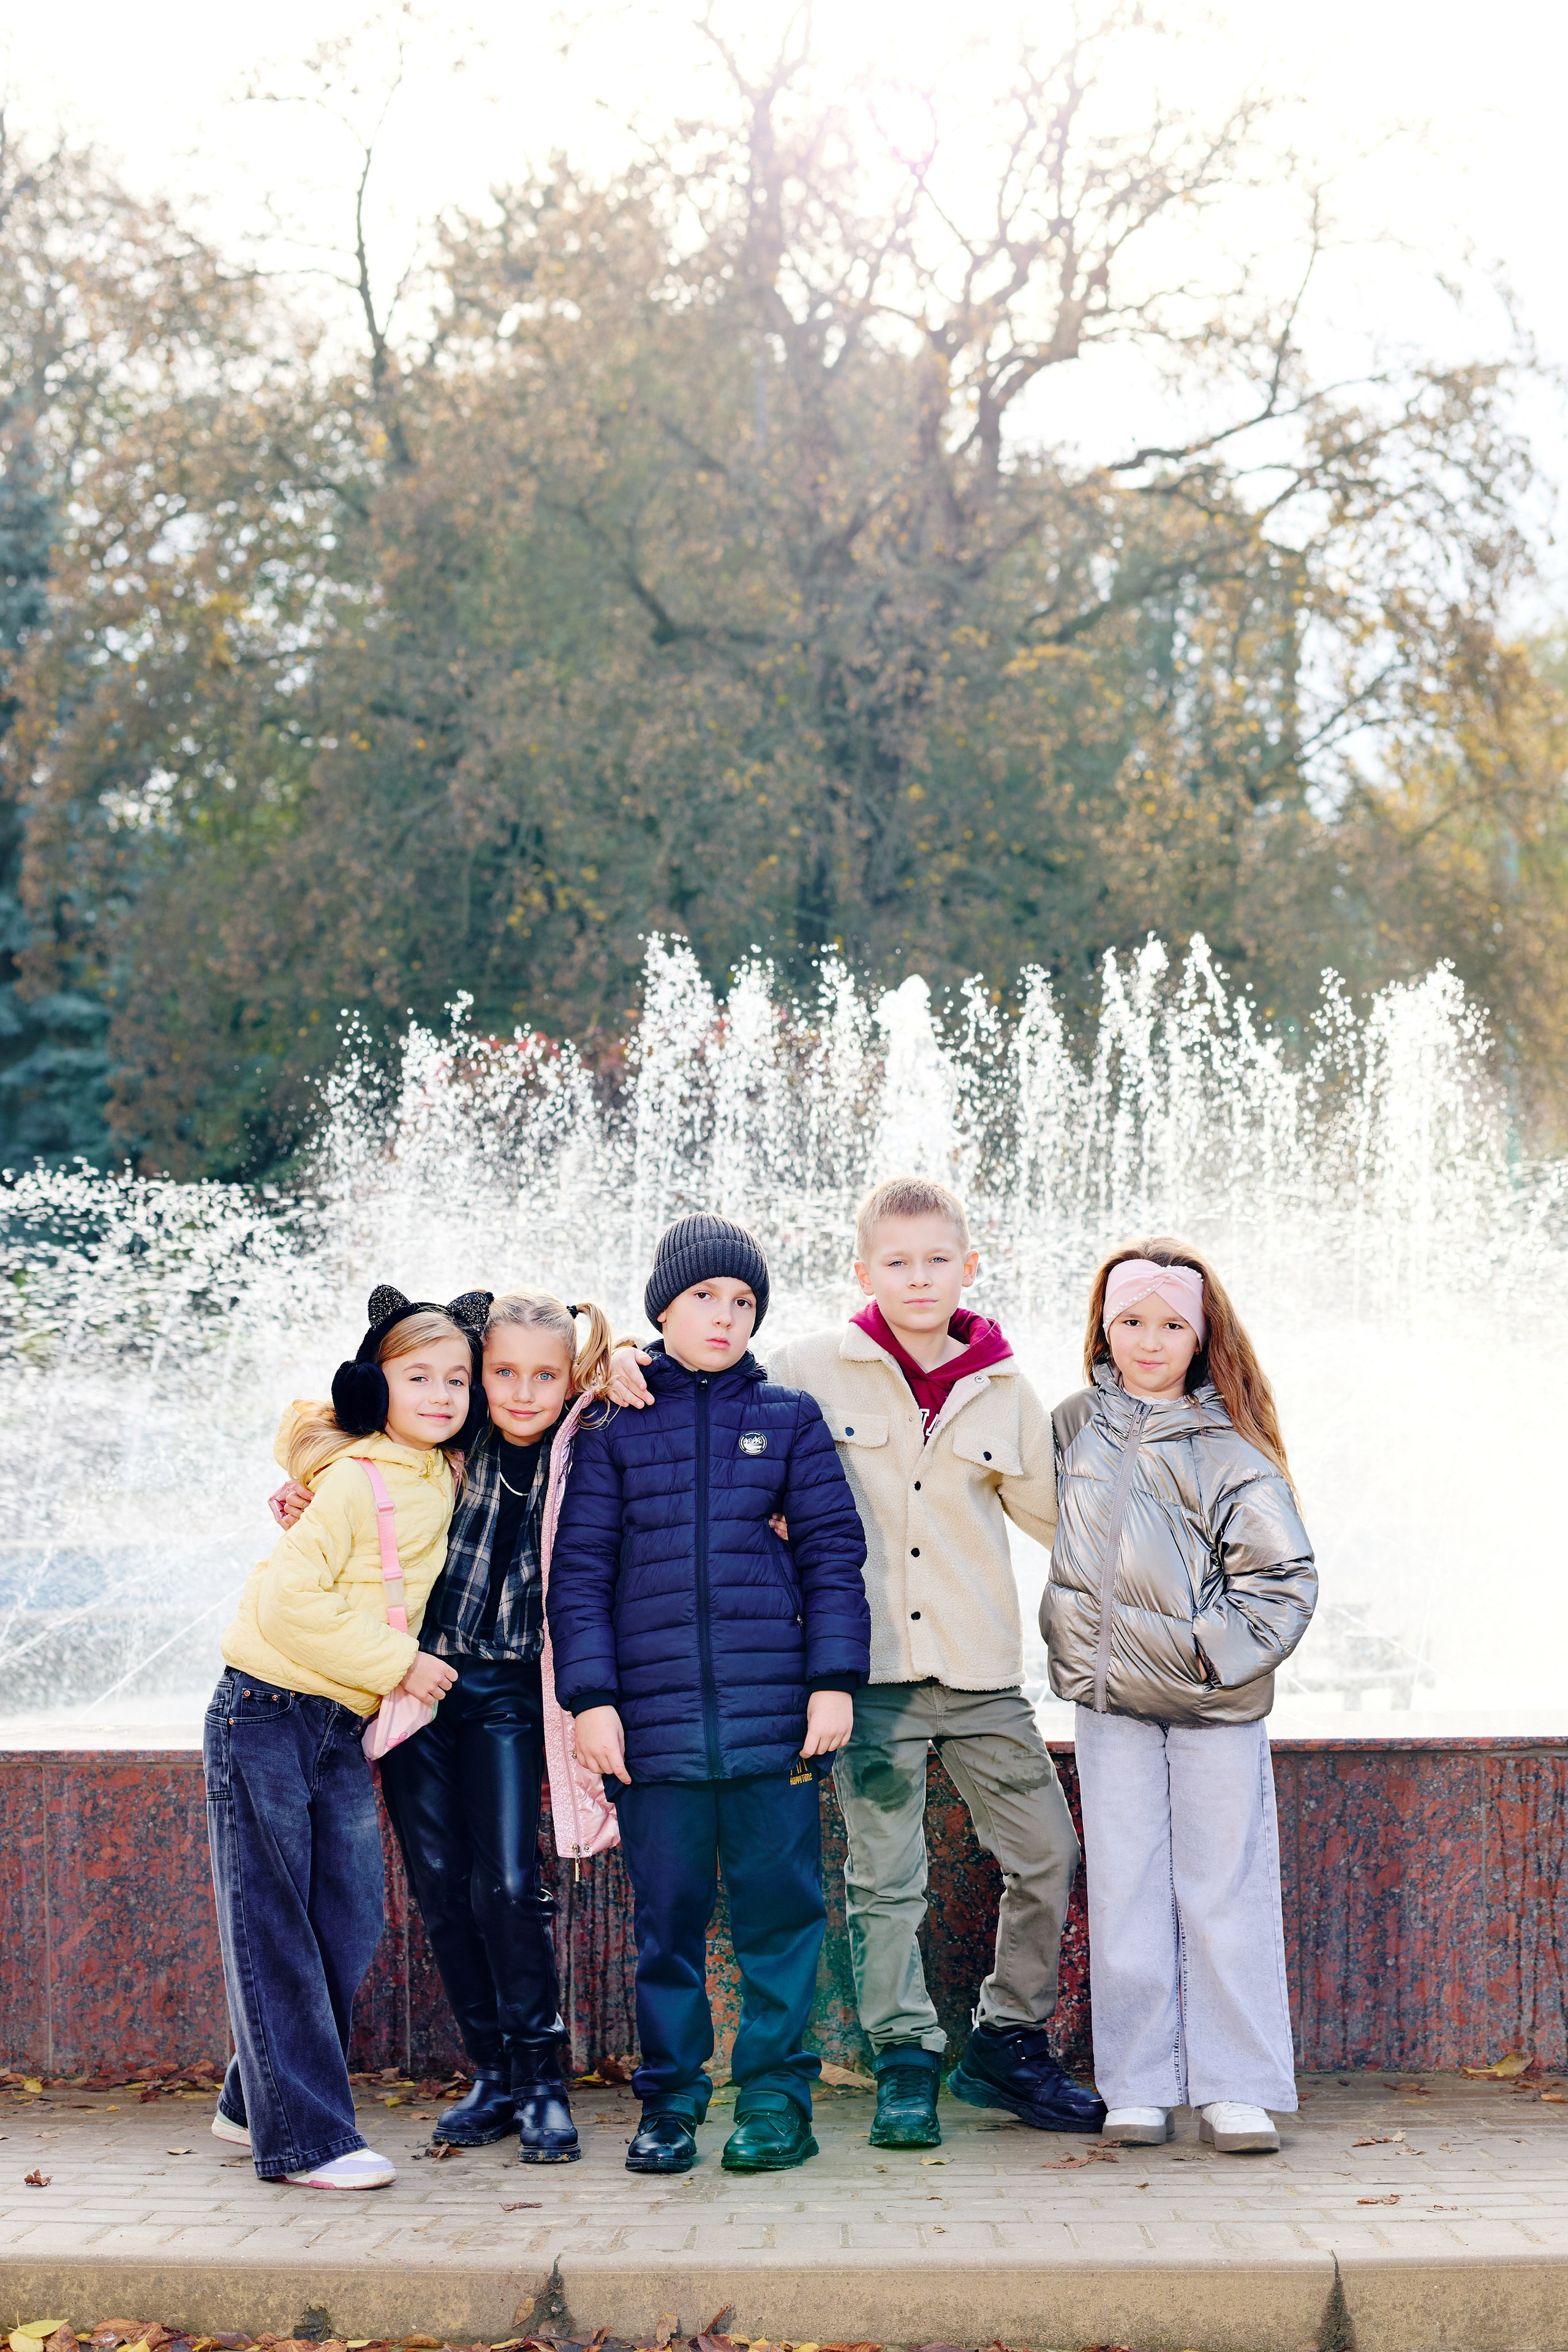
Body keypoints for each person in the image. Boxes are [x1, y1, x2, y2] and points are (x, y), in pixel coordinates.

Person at [609, 1175, 1105, 2151]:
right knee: (886, 1880)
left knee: (1048, 1853)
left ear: (970, 1265)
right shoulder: (810, 1367)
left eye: (937, 1261)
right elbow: (704, 1365)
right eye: (896, 1262)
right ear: (863, 1271)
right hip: (867, 1675)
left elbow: (1065, 1526)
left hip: (977, 1675)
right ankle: (907, 2060)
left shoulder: (1006, 1391)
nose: (917, 1279)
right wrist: (620, 1362)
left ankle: (1005, 2039)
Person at [549, 1211, 872, 2177]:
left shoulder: (789, 1419)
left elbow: (833, 1558)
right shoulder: (612, 1421)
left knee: (782, 1917)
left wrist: (832, 1684)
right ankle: (672, 2103)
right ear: (663, 1307)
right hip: (653, 1732)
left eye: (744, 1301)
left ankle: (776, 2101)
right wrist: (591, 1700)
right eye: (705, 1298)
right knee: (669, 1927)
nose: (726, 1317)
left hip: (777, 1725)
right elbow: (581, 1574)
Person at [270, 1288, 619, 2161]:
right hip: (417, 1686)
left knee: (505, 1879)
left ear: (572, 1378)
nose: (523, 1393)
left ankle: (543, 2080)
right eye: (502, 1373)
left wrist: (629, 1363)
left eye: (546, 1376)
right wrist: (306, 1483)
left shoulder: (585, 1446)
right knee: (438, 1882)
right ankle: (494, 2073)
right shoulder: (452, 1434)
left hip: (504, 1690)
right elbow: (358, 1434)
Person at [206, 1286, 486, 2190]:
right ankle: (305, 2142)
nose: (442, 1395)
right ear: (377, 1387)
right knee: (277, 1921)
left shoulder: (439, 1470)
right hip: (267, 1710)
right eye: (418, 1377)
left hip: (337, 1721)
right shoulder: (358, 1480)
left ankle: (251, 2101)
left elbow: (556, 1380)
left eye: (457, 1378)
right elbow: (289, 1601)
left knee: (349, 1919)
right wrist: (400, 1662)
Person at [1042, 1240, 1316, 2155]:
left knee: (1221, 1887)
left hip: (1213, 1708)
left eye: (1170, 1326)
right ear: (1104, 1327)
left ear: (1200, 1338)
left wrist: (1203, 1659)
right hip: (1109, 1704)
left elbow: (1282, 1582)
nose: (1149, 1341)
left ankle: (1235, 2086)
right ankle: (1140, 2084)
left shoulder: (1229, 1448)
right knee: (1124, 1889)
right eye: (1131, 1322)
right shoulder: (1071, 1426)